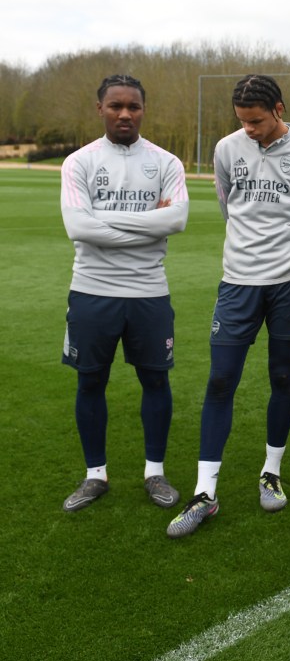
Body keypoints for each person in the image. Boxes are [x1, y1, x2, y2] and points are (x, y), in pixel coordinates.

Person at [167, 74, 290, 538]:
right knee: (220, 380)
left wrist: (283, 250)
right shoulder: (225, 149)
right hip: (237, 282)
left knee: (282, 375)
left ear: (278, 109)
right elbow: (227, 205)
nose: (249, 130)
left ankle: (271, 472)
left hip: (289, 282)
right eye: (242, 121)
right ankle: (205, 493)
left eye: (256, 121)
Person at [60, 74, 189, 512]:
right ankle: (95, 475)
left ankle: (155, 472)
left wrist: (104, 220)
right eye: (115, 106)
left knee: (155, 380)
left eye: (132, 106)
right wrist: (146, 224)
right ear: (100, 109)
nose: (124, 114)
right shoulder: (79, 162)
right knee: (90, 380)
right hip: (92, 290)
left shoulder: (166, 162)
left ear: (142, 110)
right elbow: (77, 227)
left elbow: (175, 221)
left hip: (149, 292)